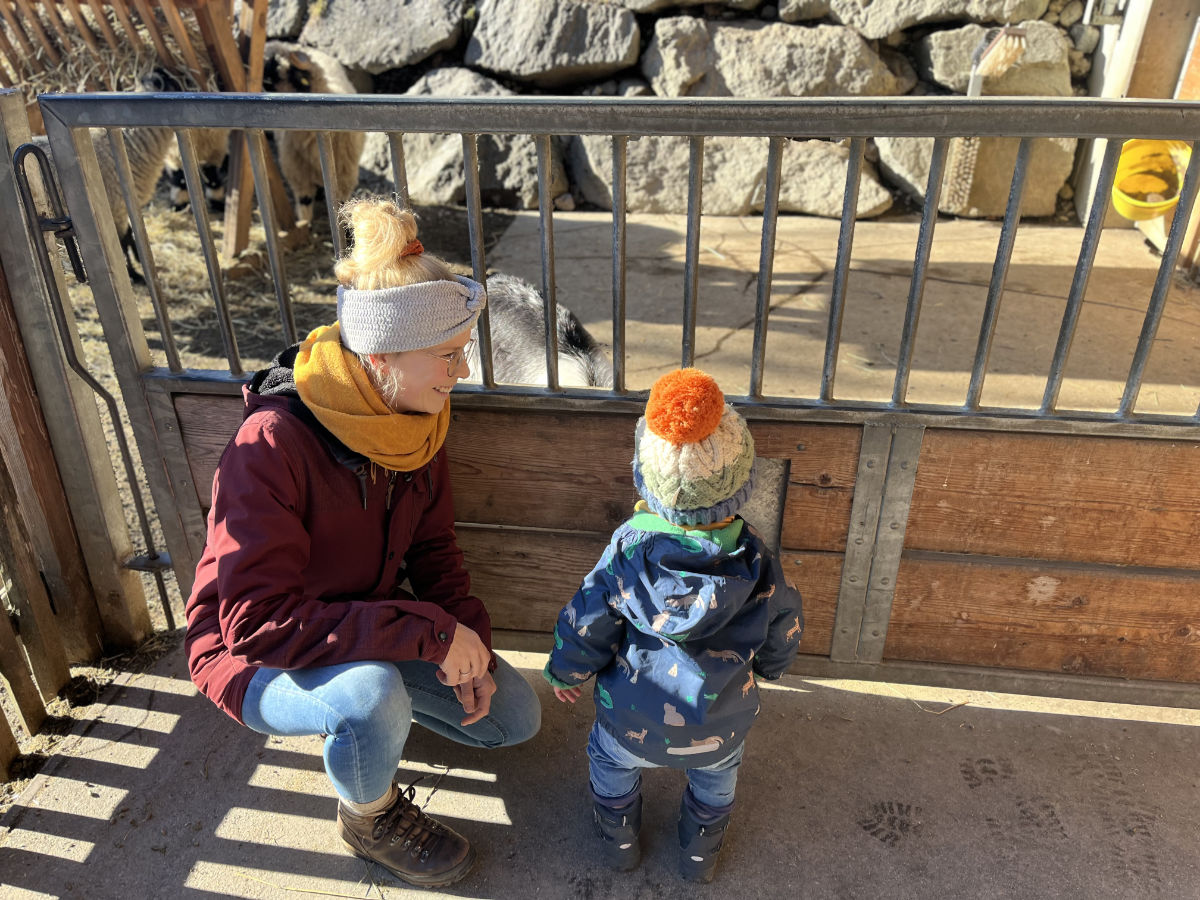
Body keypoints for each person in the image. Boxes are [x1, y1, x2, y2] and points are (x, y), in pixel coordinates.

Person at [184, 197, 540, 888]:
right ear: (381, 354)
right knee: (371, 697)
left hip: (353, 626)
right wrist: (428, 638)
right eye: (446, 355)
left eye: (459, 352)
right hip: (253, 652)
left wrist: (465, 637)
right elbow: (254, 624)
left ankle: (368, 720)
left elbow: (436, 556)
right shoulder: (272, 445)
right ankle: (368, 813)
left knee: (513, 718)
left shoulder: (413, 423)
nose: (459, 372)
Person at [544, 368, 803, 883]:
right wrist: (773, 667)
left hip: (629, 720)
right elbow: (785, 617)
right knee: (717, 779)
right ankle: (699, 854)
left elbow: (588, 615)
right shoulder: (754, 557)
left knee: (609, 761)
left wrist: (565, 672)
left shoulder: (626, 550)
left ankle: (619, 837)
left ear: (646, 479)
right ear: (742, 485)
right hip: (721, 724)